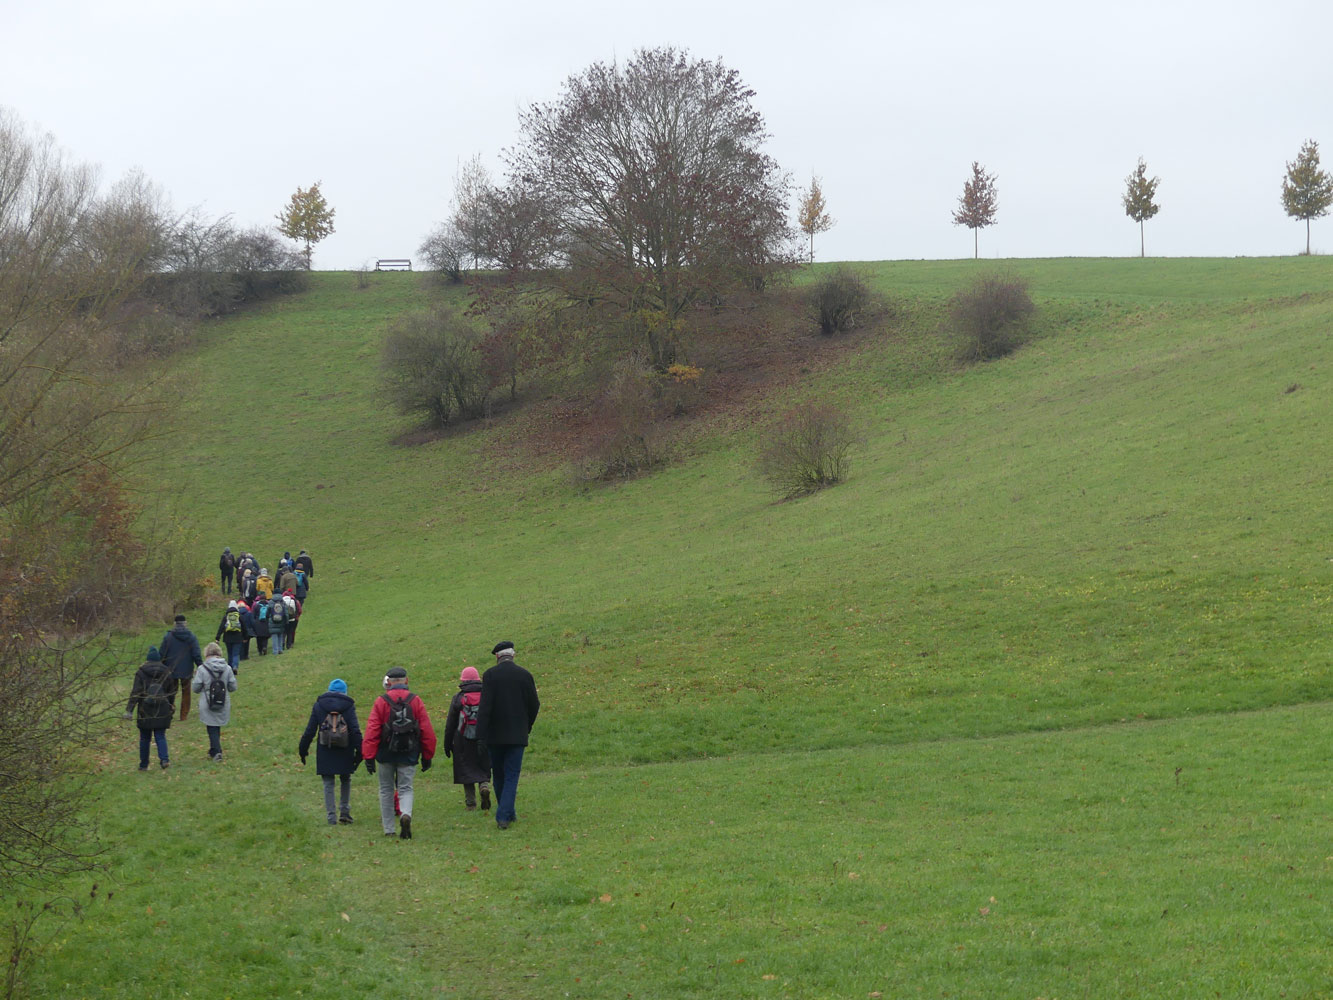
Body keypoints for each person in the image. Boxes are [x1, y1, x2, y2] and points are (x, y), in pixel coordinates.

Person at [361, 667, 436, 839]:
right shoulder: (415, 701)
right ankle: (405, 814)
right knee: (406, 788)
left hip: (385, 753)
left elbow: (372, 730)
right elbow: (426, 730)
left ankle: (389, 829)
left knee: (386, 789)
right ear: (406, 681)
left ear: (389, 682)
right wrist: (427, 755)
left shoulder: (381, 701)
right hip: (409, 752)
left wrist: (369, 756)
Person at [476, 641, 540, 830]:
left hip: (494, 736)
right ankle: (506, 814)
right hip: (517, 735)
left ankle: (504, 814)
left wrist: (480, 735)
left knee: (499, 774)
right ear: (513, 655)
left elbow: (484, 708)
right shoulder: (525, 675)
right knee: (512, 775)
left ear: (497, 656)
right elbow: (534, 705)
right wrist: (526, 726)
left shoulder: (490, 676)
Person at [298, 679, 363, 825]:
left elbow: (310, 730)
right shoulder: (349, 706)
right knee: (345, 779)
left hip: (325, 747)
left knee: (328, 782)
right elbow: (354, 729)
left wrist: (303, 749)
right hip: (345, 747)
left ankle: (331, 817)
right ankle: (345, 812)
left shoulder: (319, 705)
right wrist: (360, 752)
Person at [444, 666, 491, 811]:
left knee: (465, 769)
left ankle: (471, 803)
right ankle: (484, 786)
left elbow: (450, 723)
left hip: (462, 740)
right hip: (483, 738)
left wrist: (447, 744)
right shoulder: (486, 695)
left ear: (463, 681)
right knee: (482, 765)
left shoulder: (458, 698)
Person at [124, 646, 178, 770]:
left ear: (147, 660)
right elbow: (172, 691)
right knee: (160, 735)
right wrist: (171, 705)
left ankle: (144, 764)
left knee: (144, 738)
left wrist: (129, 710)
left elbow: (136, 692)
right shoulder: (167, 672)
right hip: (162, 708)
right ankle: (164, 759)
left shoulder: (141, 672)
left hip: (145, 709)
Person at [191, 641, 237, 761]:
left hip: (207, 701)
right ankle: (214, 749)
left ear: (206, 654)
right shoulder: (227, 668)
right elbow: (233, 687)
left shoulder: (202, 669)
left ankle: (216, 751)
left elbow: (195, 688)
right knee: (216, 725)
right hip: (223, 701)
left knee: (211, 726)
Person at [158, 614, 203, 721]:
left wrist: (160, 667)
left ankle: (169, 710)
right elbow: (196, 653)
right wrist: (200, 665)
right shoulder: (191, 637)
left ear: (175, 624)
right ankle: (183, 715)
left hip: (170, 669)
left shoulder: (168, 637)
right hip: (187, 669)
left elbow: (162, 654)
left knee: (170, 692)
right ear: (185, 623)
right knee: (186, 692)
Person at [215, 600, 245, 670]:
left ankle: (230, 668)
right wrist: (245, 637)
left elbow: (221, 627)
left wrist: (217, 637)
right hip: (238, 637)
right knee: (236, 654)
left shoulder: (226, 616)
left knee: (230, 653)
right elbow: (244, 627)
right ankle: (235, 666)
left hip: (227, 638)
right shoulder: (239, 616)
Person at [267, 590, 288, 655]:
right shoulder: (283, 602)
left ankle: (275, 651)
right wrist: (286, 621)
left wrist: (267, 618)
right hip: (281, 621)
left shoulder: (270, 602)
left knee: (274, 636)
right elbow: (286, 613)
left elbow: (267, 612)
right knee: (280, 636)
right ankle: (280, 649)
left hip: (272, 621)